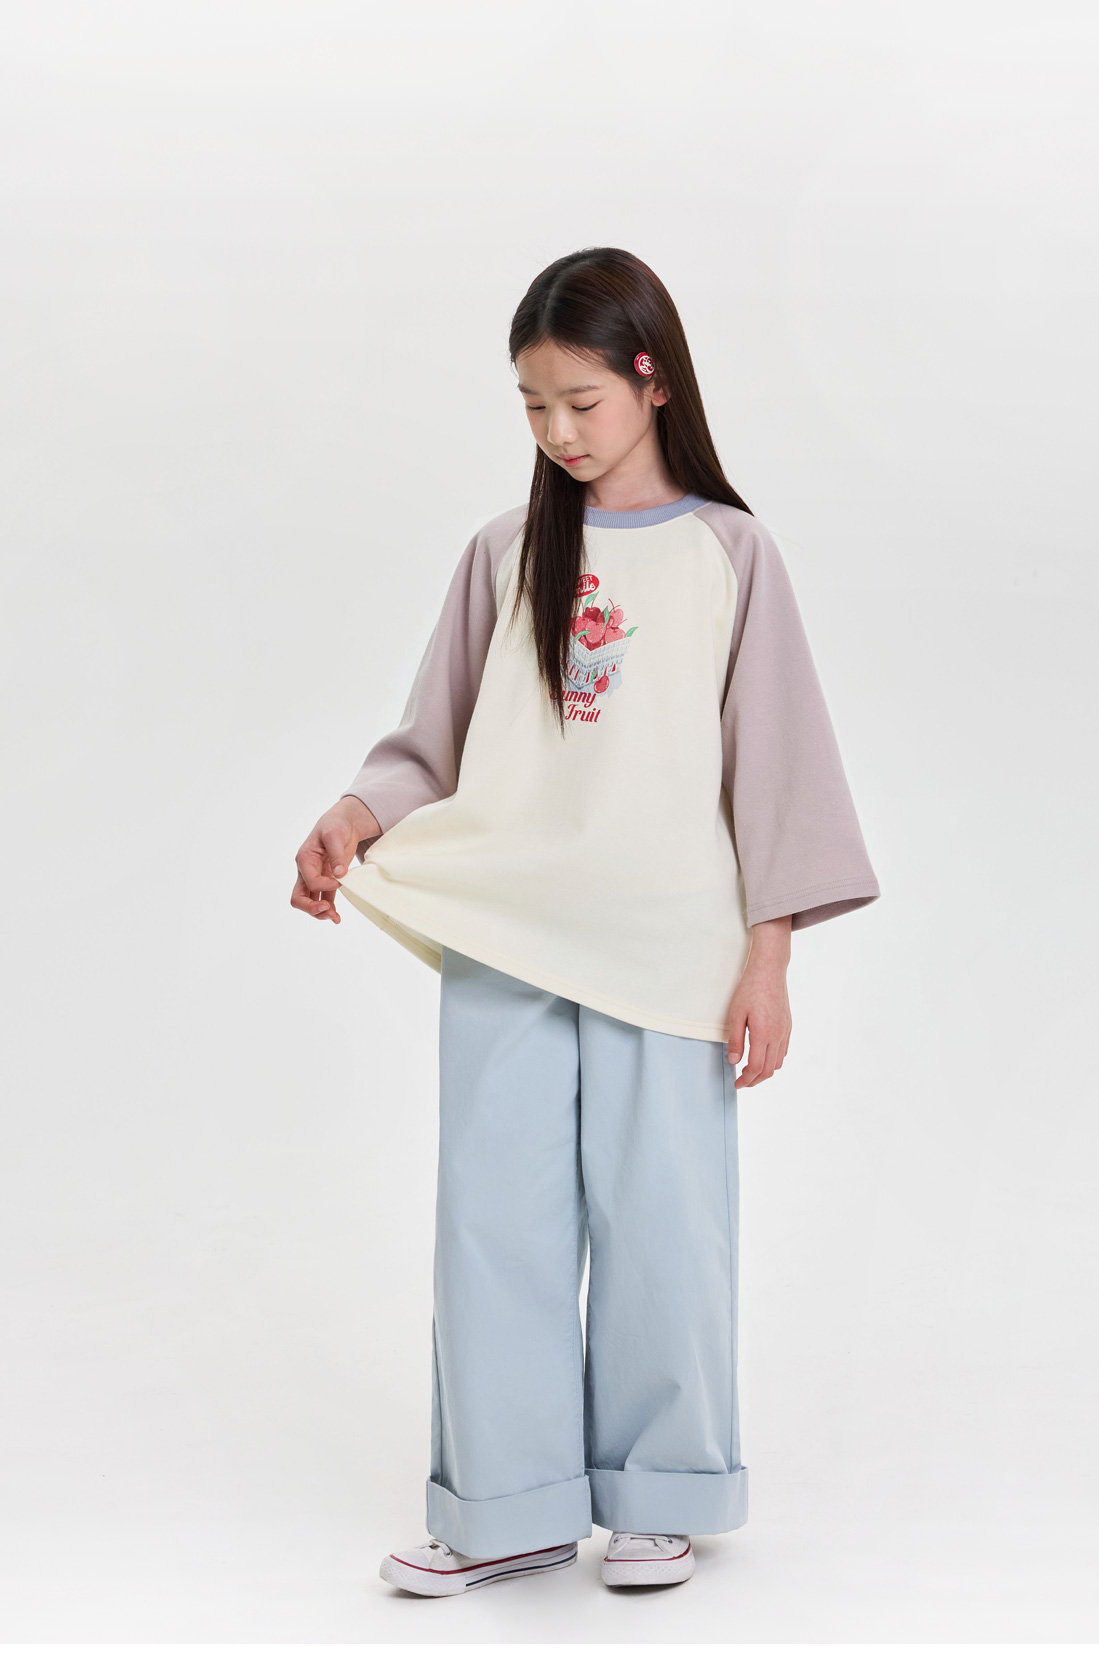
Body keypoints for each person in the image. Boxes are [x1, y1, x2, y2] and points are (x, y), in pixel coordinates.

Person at [291, 247, 880, 1597]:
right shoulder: (504, 553)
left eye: (580, 402)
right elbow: (432, 739)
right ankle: (507, 1505)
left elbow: (776, 768)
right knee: (492, 1221)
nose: (556, 431)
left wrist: (770, 957)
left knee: (665, 1221)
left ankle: (662, 1491)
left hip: (671, 949)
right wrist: (355, 813)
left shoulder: (731, 554)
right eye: (532, 405)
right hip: (509, 928)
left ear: (653, 381)